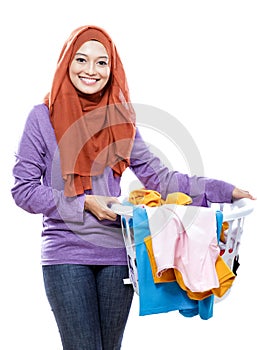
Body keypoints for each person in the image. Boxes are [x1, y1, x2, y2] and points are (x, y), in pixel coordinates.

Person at [11, 25, 255, 350]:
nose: (91, 70)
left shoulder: (121, 122)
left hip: (117, 255)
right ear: (67, 63)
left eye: (102, 62)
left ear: (112, 69)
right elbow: (23, 190)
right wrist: (84, 203)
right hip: (66, 255)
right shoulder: (42, 118)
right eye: (82, 59)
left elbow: (164, 181)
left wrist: (227, 190)